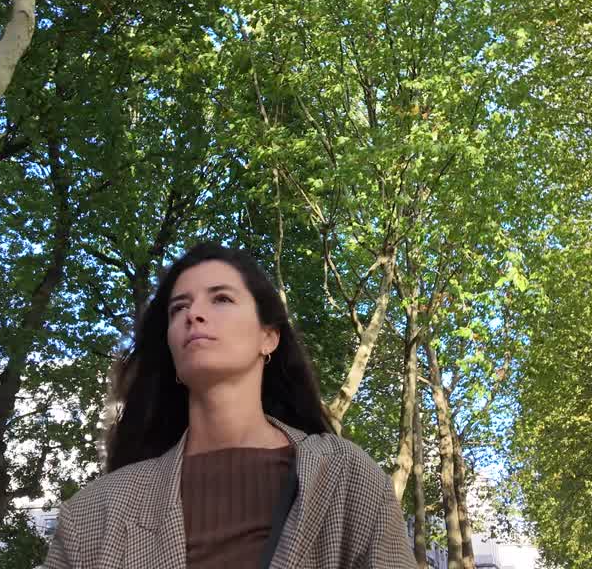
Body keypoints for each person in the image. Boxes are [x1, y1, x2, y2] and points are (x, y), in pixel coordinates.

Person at [43, 242, 416, 569]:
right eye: (178, 308)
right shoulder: (95, 513)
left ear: (268, 337)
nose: (193, 314)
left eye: (221, 298)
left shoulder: (346, 478)